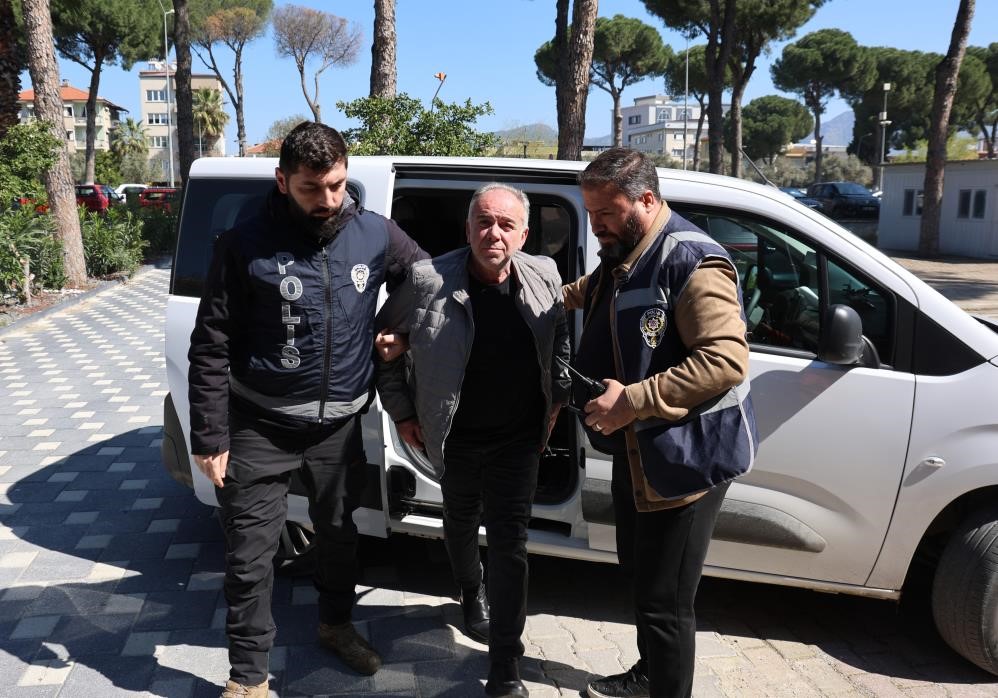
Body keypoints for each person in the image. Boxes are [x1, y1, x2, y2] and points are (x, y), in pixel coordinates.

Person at [187, 122, 427, 698]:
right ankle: (248, 679)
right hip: (259, 427)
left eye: (337, 185)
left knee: (340, 535)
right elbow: (211, 345)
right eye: (310, 188)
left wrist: (401, 330)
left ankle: (335, 626)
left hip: (338, 428)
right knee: (250, 557)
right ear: (282, 181)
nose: (327, 199)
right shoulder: (244, 244)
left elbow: (426, 278)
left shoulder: (375, 233)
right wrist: (210, 435)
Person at [564, 148, 757, 698]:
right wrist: (531, 290)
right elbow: (592, 292)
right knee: (640, 574)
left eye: (605, 212)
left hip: (685, 461)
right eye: (590, 213)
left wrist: (632, 401)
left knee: (665, 603)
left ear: (646, 200)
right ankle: (650, 674)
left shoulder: (692, 261)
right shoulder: (626, 250)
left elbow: (725, 360)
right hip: (641, 454)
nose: (595, 225)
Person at [375, 183, 571, 698]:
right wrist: (401, 412)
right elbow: (384, 347)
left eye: (506, 225)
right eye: (484, 222)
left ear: (524, 235)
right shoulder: (427, 279)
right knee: (460, 521)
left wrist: (556, 401)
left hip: (518, 440)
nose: (494, 234)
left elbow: (560, 343)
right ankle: (469, 591)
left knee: (511, 546)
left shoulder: (545, 275)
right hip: (455, 437)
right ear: (468, 229)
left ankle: (505, 665)